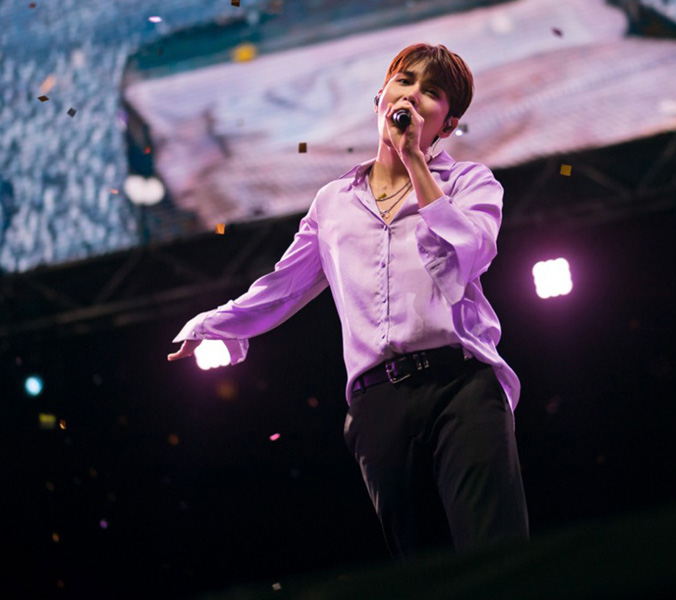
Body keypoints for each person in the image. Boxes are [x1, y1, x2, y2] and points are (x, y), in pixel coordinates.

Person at [167, 43, 529, 560]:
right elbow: (285, 285)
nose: (412, 95)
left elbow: (465, 255)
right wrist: (212, 324)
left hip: (461, 384)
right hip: (377, 400)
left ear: (447, 125)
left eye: (431, 92)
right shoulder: (333, 202)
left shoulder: (470, 183)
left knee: (495, 554)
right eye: (405, 81)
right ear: (381, 96)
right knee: (421, 568)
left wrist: (415, 163)